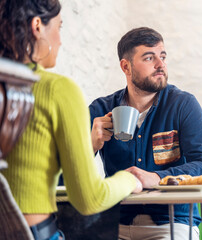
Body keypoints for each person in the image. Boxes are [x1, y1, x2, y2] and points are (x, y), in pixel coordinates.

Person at [0, 1, 142, 239]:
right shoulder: (58, 90)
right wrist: (129, 179)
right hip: (33, 233)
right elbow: (89, 199)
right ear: (37, 26)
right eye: (59, 27)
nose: (60, 40)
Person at [89, 27, 202, 240]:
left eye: (163, 56)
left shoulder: (183, 104)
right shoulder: (100, 110)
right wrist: (91, 145)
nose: (160, 65)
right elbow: (67, 173)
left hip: (172, 222)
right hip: (114, 224)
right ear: (126, 66)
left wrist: (157, 178)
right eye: (149, 58)